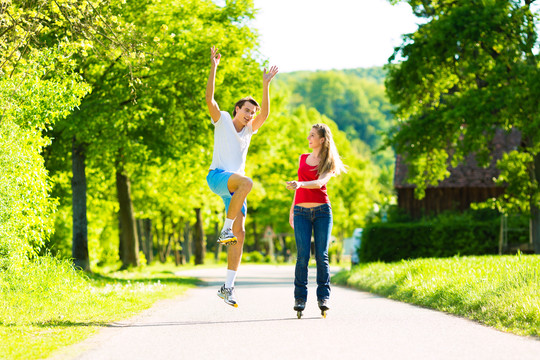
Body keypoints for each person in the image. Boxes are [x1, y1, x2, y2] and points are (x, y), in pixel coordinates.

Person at [206, 46, 278, 307]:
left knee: (242, 232)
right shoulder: (223, 120)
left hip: (235, 190)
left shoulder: (249, 130)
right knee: (246, 182)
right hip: (218, 177)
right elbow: (209, 101)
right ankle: (225, 228)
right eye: (247, 110)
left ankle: (228, 286)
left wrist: (265, 85)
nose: (250, 115)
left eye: (252, 113)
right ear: (237, 109)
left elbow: (266, 115)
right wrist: (214, 67)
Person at [286, 123, 346, 316]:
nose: (308, 138)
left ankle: (323, 297)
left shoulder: (329, 162)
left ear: (322, 139)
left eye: (312, 135)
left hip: (322, 212)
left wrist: (300, 184)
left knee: (322, 255)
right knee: (302, 256)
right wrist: (292, 209)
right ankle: (300, 299)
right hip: (301, 212)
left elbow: (319, 183)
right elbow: (298, 189)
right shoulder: (302, 158)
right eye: (309, 135)